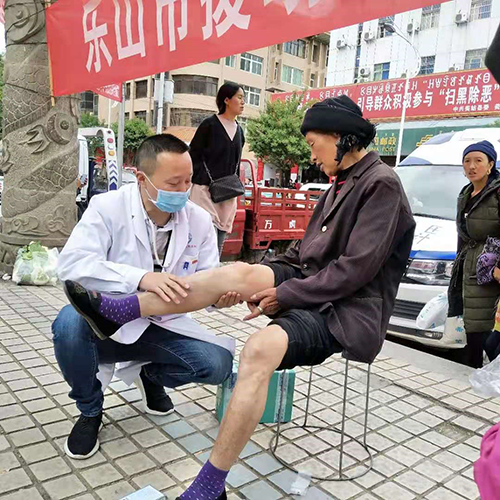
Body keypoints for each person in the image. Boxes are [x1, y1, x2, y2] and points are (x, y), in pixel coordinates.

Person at [64, 96, 416, 500]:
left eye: (314, 144)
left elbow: (354, 271)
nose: (312, 155)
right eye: (175, 183)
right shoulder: (341, 182)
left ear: (341, 137)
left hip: (344, 307)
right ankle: (120, 310)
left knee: (258, 351)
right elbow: (303, 254)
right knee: (236, 273)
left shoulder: (381, 184)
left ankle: (210, 486)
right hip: (312, 282)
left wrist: (284, 293)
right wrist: (262, 279)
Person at [53, 134, 237, 460]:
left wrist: (218, 298)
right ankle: (90, 409)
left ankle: (149, 375)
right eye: (174, 183)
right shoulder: (108, 208)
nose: (183, 191)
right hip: (107, 326)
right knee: (68, 325)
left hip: (162, 327)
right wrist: (139, 278)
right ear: (141, 178)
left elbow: (208, 277)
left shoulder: (198, 220)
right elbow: (72, 265)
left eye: (189, 181)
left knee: (217, 364)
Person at [448, 141, 500, 368]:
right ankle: (472, 377)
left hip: (491, 269)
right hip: (469, 267)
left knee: (485, 330)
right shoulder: (466, 193)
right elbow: (463, 234)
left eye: (478, 160)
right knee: (471, 325)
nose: (471, 166)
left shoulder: (497, 192)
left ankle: (487, 377)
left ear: (490, 165)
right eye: (467, 161)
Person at [189, 82, 246, 255]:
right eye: (239, 97)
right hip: (205, 191)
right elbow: (193, 155)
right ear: (226, 100)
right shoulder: (209, 125)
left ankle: (213, 269)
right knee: (206, 238)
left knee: (219, 241)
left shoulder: (240, 131)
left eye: (243, 98)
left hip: (227, 193)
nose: (243, 102)